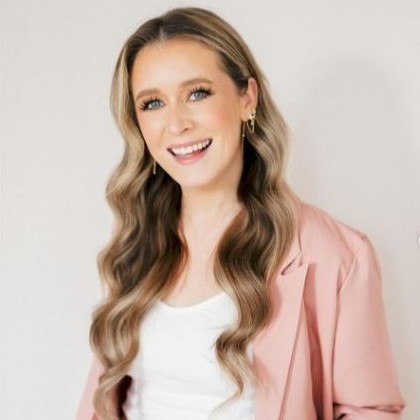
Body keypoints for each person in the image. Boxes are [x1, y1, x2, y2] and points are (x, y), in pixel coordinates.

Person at [76, 7, 405, 420]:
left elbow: (370, 411)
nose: (176, 124)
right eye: (153, 103)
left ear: (247, 98)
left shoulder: (335, 254)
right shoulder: (134, 237)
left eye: (197, 93)